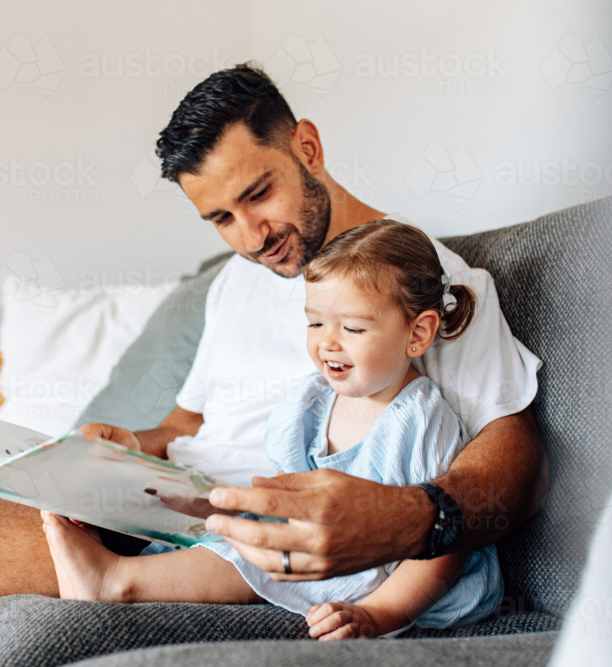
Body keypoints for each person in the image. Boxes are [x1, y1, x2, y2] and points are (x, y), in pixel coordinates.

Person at [0, 64, 545, 667]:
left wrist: (409, 518)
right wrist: (128, 446)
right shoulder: (241, 281)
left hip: (246, 540)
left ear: (306, 146)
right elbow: (186, 424)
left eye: (258, 193)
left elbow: (514, 454)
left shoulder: (427, 283)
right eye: (220, 218)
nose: (249, 235)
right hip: (165, 503)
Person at [42, 220, 503, 640]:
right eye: (315, 323)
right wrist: (196, 502)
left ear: (418, 334)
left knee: (257, 552)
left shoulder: (421, 422)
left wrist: (379, 615)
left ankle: (115, 583)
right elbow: (281, 497)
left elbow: (444, 548)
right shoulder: (311, 401)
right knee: (235, 528)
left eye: (354, 328)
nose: (328, 342)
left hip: (399, 579)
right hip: (323, 541)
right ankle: (126, 553)